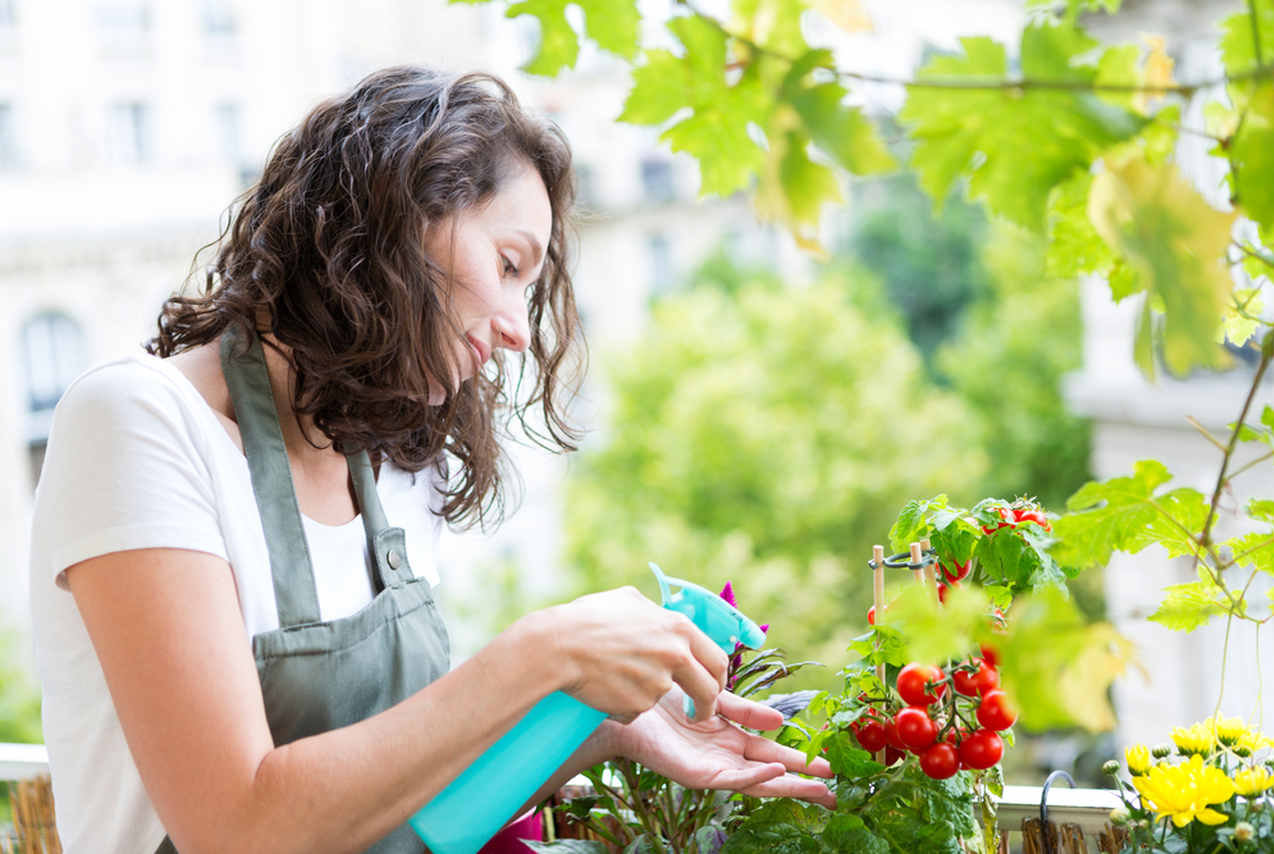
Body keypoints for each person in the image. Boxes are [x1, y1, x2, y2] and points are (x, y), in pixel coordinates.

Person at [27, 65, 835, 854]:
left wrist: (597, 727)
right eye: (510, 265)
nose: (520, 327)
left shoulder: (398, 461)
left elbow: (413, 810)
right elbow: (235, 826)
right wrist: (536, 658)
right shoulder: (139, 423)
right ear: (397, 222)